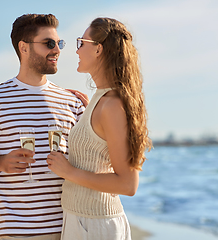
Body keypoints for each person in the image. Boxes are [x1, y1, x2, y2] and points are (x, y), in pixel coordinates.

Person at [0, 14, 85, 240]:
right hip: (20, 233)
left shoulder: (72, 102)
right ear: (24, 47)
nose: (57, 50)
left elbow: (91, 160)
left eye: (60, 43)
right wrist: (1, 163)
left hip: (73, 228)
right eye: (49, 43)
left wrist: (95, 110)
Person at [46, 17, 152, 240]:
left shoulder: (112, 105)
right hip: (82, 221)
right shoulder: (101, 100)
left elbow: (128, 184)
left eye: (81, 43)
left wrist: (69, 173)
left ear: (98, 49)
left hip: (95, 226)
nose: (76, 51)